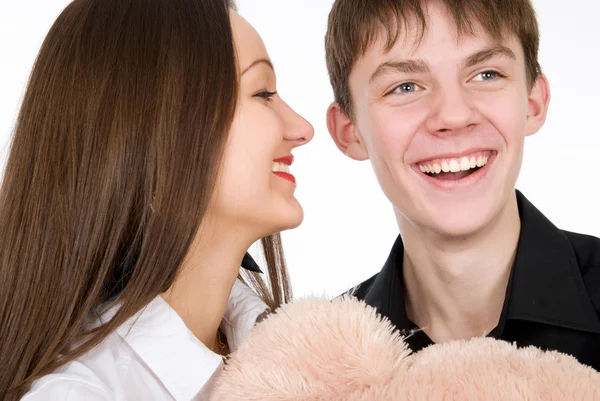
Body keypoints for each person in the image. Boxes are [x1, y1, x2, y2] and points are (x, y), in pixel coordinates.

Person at [0, 0, 313, 399]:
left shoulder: (291, 349)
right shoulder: (79, 393)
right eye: (263, 93)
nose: (302, 129)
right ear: (160, 145)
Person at [324, 0, 600, 369]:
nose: (453, 116)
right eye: (405, 86)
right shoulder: (319, 360)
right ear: (349, 131)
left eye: (486, 74)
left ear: (533, 101)